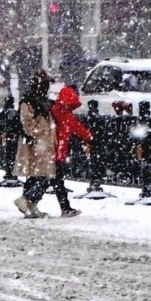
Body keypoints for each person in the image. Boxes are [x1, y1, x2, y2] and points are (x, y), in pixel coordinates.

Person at [13, 71, 56, 218]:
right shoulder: (29, 102)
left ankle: (31, 203)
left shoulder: (40, 101)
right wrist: (39, 133)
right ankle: (27, 199)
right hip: (36, 143)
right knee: (43, 175)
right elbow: (27, 123)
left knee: (38, 175)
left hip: (42, 142)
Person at [49, 85, 92, 217]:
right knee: (56, 181)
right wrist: (89, 138)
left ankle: (64, 206)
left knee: (53, 181)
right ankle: (64, 207)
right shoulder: (65, 115)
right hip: (56, 152)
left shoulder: (55, 111)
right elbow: (78, 128)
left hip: (52, 151)